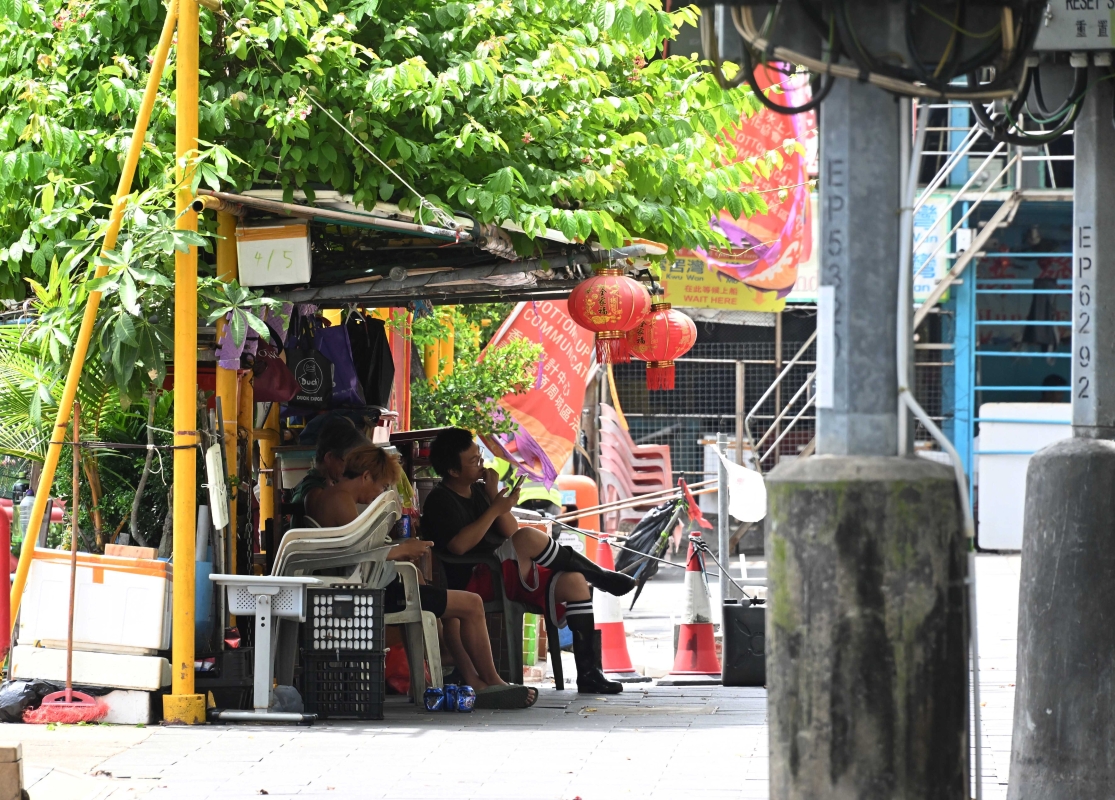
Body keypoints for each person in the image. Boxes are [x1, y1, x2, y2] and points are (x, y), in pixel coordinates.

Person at [308, 444, 537, 709]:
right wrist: (400, 550)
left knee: (453, 608)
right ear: (366, 476)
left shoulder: (330, 496)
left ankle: (475, 680)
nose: (378, 493)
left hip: (372, 586)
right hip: (370, 592)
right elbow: (358, 555)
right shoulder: (341, 500)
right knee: (471, 603)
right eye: (381, 485)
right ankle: (493, 680)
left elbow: (354, 549)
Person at [421, 428, 637, 695]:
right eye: (474, 461)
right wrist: (494, 509)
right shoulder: (440, 500)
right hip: (475, 578)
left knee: (575, 582)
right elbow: (459, 545)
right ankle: (601, 576)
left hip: (506, 571)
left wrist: (492, 496)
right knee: (528, 537)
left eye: (480, 457)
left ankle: (589, 674)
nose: (482, 464)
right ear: (453, 471)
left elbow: (509, 529)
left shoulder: (478, 492)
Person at [291, 415, 370, 509]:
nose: (351, 470)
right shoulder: (316, 492)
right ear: (329, 457)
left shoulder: (325, 484)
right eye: (347, 463)